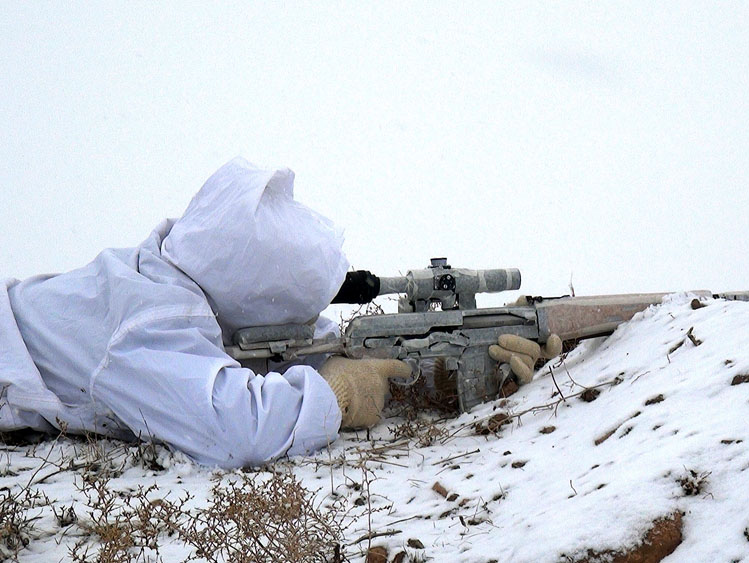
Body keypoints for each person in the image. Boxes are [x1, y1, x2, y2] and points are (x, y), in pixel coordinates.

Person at [0, 159, 558, 468]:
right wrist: (336, 395)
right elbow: (234, 429)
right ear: (248, 290)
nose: (311, 322)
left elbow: (290, 346)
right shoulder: (145, 321)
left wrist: (455, 352)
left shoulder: (186, 274)